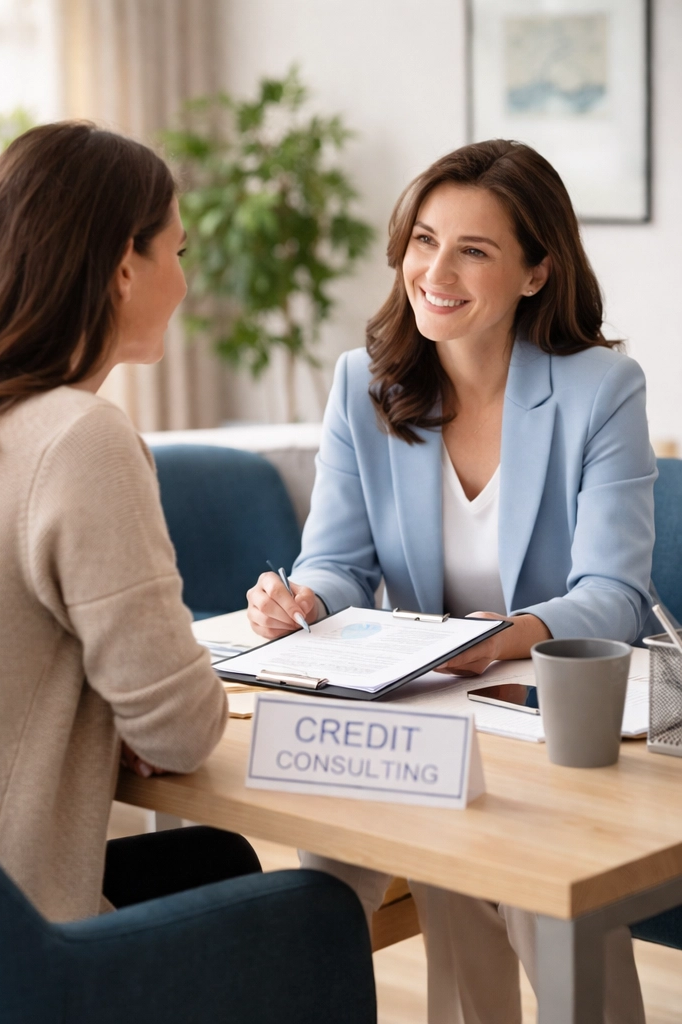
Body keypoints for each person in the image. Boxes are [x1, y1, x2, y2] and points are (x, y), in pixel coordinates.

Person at [246, 139, 655, 1023]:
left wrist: (495, 638)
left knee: (544, 901)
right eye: (424, 239)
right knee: (317, 898)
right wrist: (306, 601)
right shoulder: (365, 383)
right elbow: (340, 561)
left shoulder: (602, 390)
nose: (436, 271)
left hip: (543, 724)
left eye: (474, 250)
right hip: (414, 716)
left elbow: (615, 595)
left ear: (537, 272)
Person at [0, 121, 247, 925]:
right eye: (176, 251)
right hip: (14, 940)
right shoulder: (79, 438)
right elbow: (179, 731)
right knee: (318, 915)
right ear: (122, 269)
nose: (182, 280)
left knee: (220, 863)